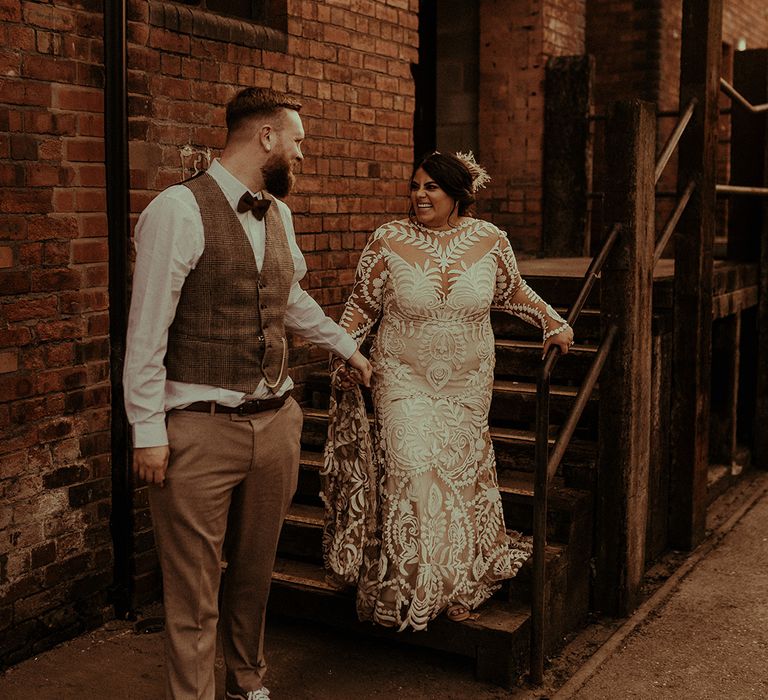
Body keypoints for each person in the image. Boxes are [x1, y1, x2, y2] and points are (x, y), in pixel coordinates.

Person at [123, 87, 372, 700]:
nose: (302, 154)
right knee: (193, 589)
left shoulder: (278, 214)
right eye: (298, 140)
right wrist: (148, 431)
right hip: (199, 428)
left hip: (276, 422)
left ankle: (247, 680)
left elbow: (287, 300)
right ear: (265, 137)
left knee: (255, 575)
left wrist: (346, 347)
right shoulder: (175, 211)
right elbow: (146, 331)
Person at [322, 151, 573, 632]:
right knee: (413, 471)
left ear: (457, 194)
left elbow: (513, 291)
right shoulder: (387, 240)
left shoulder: (490, 240)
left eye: (431, 187)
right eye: (414, 186)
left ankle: (457, 584)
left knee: (457, 479)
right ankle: (418, 587)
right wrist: (345, 353)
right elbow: (361, 305)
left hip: (467, 382)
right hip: (401, 377)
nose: (419, 195)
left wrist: (552, 322)